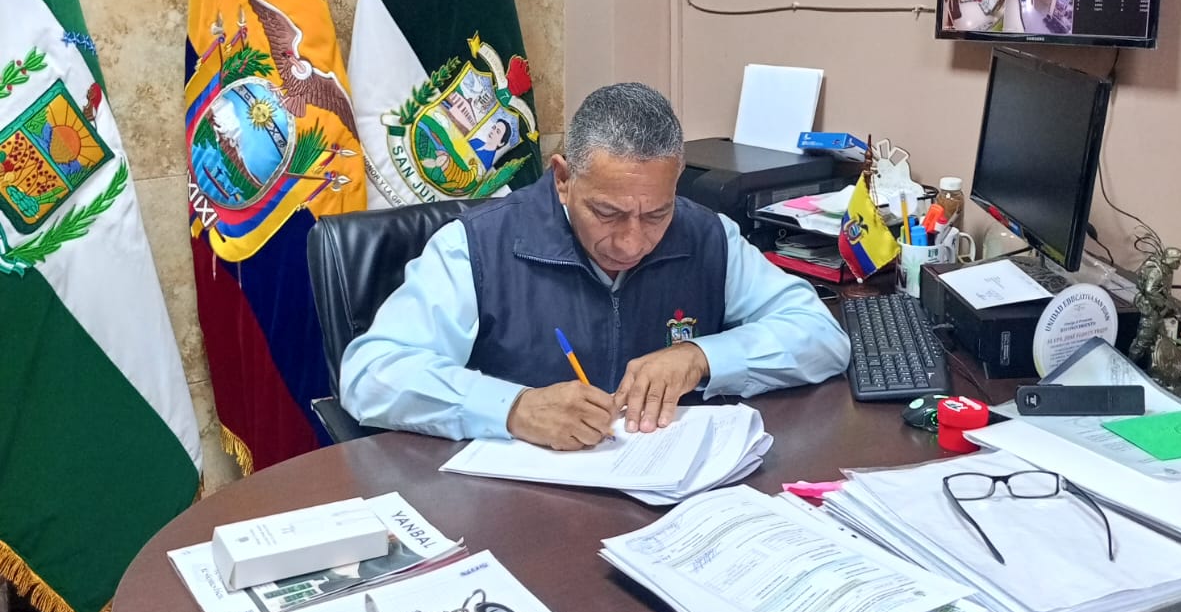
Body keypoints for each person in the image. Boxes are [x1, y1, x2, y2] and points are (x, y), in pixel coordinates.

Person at [340, 82, 851, 450]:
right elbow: (371, 374)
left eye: (656, 214)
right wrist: (512, 409)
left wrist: (702, 356)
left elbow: (822, 336)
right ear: (563, 179)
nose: (631, 242)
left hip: (665, 498)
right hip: (517, 512)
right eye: (607, 213)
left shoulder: (707, 236)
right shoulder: (476, 246)